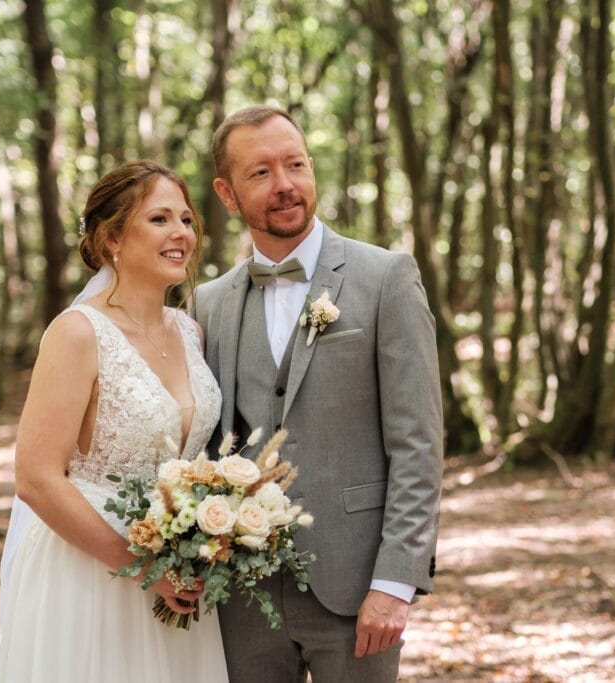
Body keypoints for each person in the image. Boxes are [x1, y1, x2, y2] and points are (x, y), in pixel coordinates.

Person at [194, 105, 443, 681]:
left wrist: (395, 582)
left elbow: (418, 444)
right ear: (227, 194)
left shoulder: (386, 278)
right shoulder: (209, 302)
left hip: (357, 589)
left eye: (296, 164)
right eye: (260, 173)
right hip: (241, 593)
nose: (285, 185)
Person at [0, 161, 229, 681]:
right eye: (160, 219)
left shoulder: (191, 331)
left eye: (187, 220)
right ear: (112, 238)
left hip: (181, 573)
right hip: (88, 574)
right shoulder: (77, 333)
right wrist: (145, 567)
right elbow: (35, 478)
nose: (181, 234)